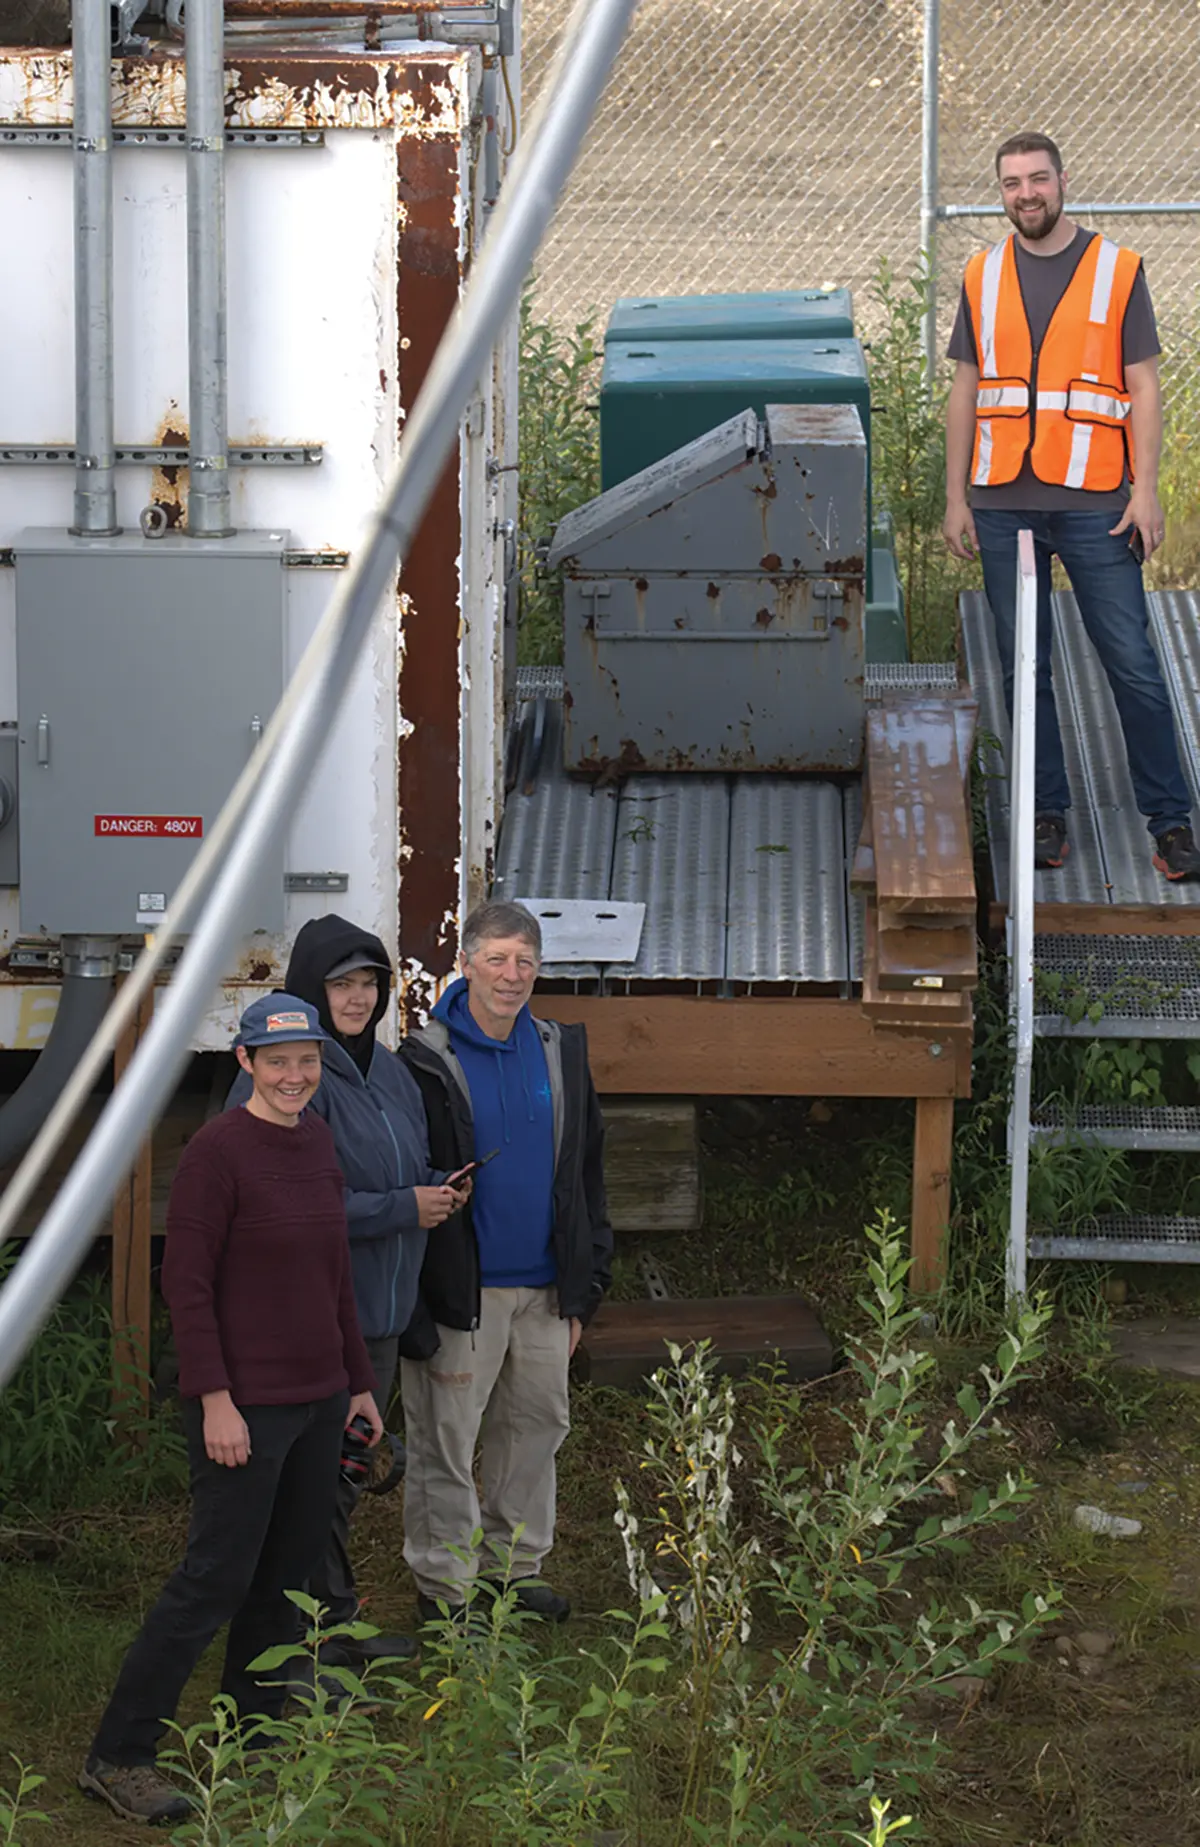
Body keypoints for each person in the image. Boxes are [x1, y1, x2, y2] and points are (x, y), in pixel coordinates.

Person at [81, 995, 382, 1825]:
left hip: (320, 1400)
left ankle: (249, 1736)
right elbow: (187, 1284)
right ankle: (120, 1754)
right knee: (214, 1578)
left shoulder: (318, 1140)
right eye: (277, 1061)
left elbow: (334, 1276)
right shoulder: (218, 1151)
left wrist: (357, 1382)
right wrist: (214, 1398)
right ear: (244, 1061)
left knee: (286, 1580)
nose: (294, 1076)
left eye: (307, 1061)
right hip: (244, 1404)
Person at [943, 130, 1200, 882]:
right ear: (1002, 192)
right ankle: (1046, 813)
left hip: (1096, 504)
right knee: (1028, 668)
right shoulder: (981, 274)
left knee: (1134, 664)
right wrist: (956, 497)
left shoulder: (1117, 270)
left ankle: (1172, 820)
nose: (1027, 193)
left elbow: (1144, 385)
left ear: (1062, 182)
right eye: (1012, 182)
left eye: (1039, 179)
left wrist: (1145, 491)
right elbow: (965, 388)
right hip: (1000, 505)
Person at [229, 915, 468, 1660]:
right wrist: (405, 1208)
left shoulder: (390, 1069)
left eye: (369, 981)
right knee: (313, 1484)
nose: (358, 996)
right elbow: (293, 1205)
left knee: (345, 1474)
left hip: (383, 1313)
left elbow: (399, 1167)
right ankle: (305, 1635)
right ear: (309, 986)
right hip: (316, 1316)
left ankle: (329, 1618)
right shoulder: (291, 1077)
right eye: (341, 982)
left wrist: (434, 1188)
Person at [398, 900, 612, 1625]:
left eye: (525, 960)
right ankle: (446, 1589)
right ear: (465, 965)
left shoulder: (556, 1048)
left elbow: (586, 1173)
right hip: (464, 1290)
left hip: (547, 1290)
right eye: (496, 958)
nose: (511, 974)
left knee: (534, 1432)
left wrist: (585, 1288)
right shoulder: (424, 1058)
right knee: (446, 1440)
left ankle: (513, 1572)